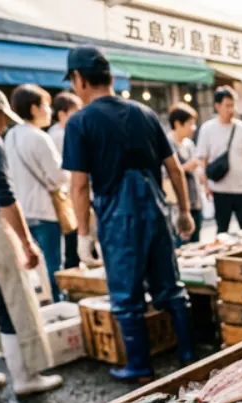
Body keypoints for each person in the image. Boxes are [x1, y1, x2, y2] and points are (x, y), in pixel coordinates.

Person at [63, 46, 195, 383]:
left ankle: (139, 366)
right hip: (155, 210)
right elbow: (175, 169)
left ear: (79, 79)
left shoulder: (80, 122)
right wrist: (183, 211)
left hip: (118, 219)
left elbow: (79, 186)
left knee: (126, 295)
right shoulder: (145, 113)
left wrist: (82, 235)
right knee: (171, 287)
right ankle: (189, 354)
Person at [0, 83, 62, 395]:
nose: (4, 125)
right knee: (11, 303)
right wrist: (26, 242)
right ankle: (25, 378)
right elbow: (3, 196)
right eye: (2, 118)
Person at [5, 84, 68, 303]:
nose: (49, 111)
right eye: (46, 106)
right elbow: (59, 176)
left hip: (23, 210)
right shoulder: (39, 137)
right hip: (44, 210)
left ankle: (45, 302)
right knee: (53, 264)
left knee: (36, 267)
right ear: (33, 108)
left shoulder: (10, 136)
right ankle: (58, 302)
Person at [196, 86, 242, 233]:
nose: (231, 109)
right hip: (219, 190)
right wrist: (205, 185)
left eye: (233, 105)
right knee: (222, 231)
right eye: (227, 105)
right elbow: (202, 160)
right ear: (217, 106)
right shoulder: (207, 129)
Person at [48, 91, 82, 268]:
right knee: (71, 241)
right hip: (67, 193)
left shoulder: (54, 133)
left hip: (67, 193)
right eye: (74, 112)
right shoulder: (60, 135)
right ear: (62, 113)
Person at [168, 102, 203, 244]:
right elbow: (166, 175)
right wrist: (185, 167)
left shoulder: (189, 144)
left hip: (195, 202)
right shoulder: (167, 144)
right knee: (180, 245)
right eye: (190, 124)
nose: (193, 128)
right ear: (178, 124)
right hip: (177, 207)